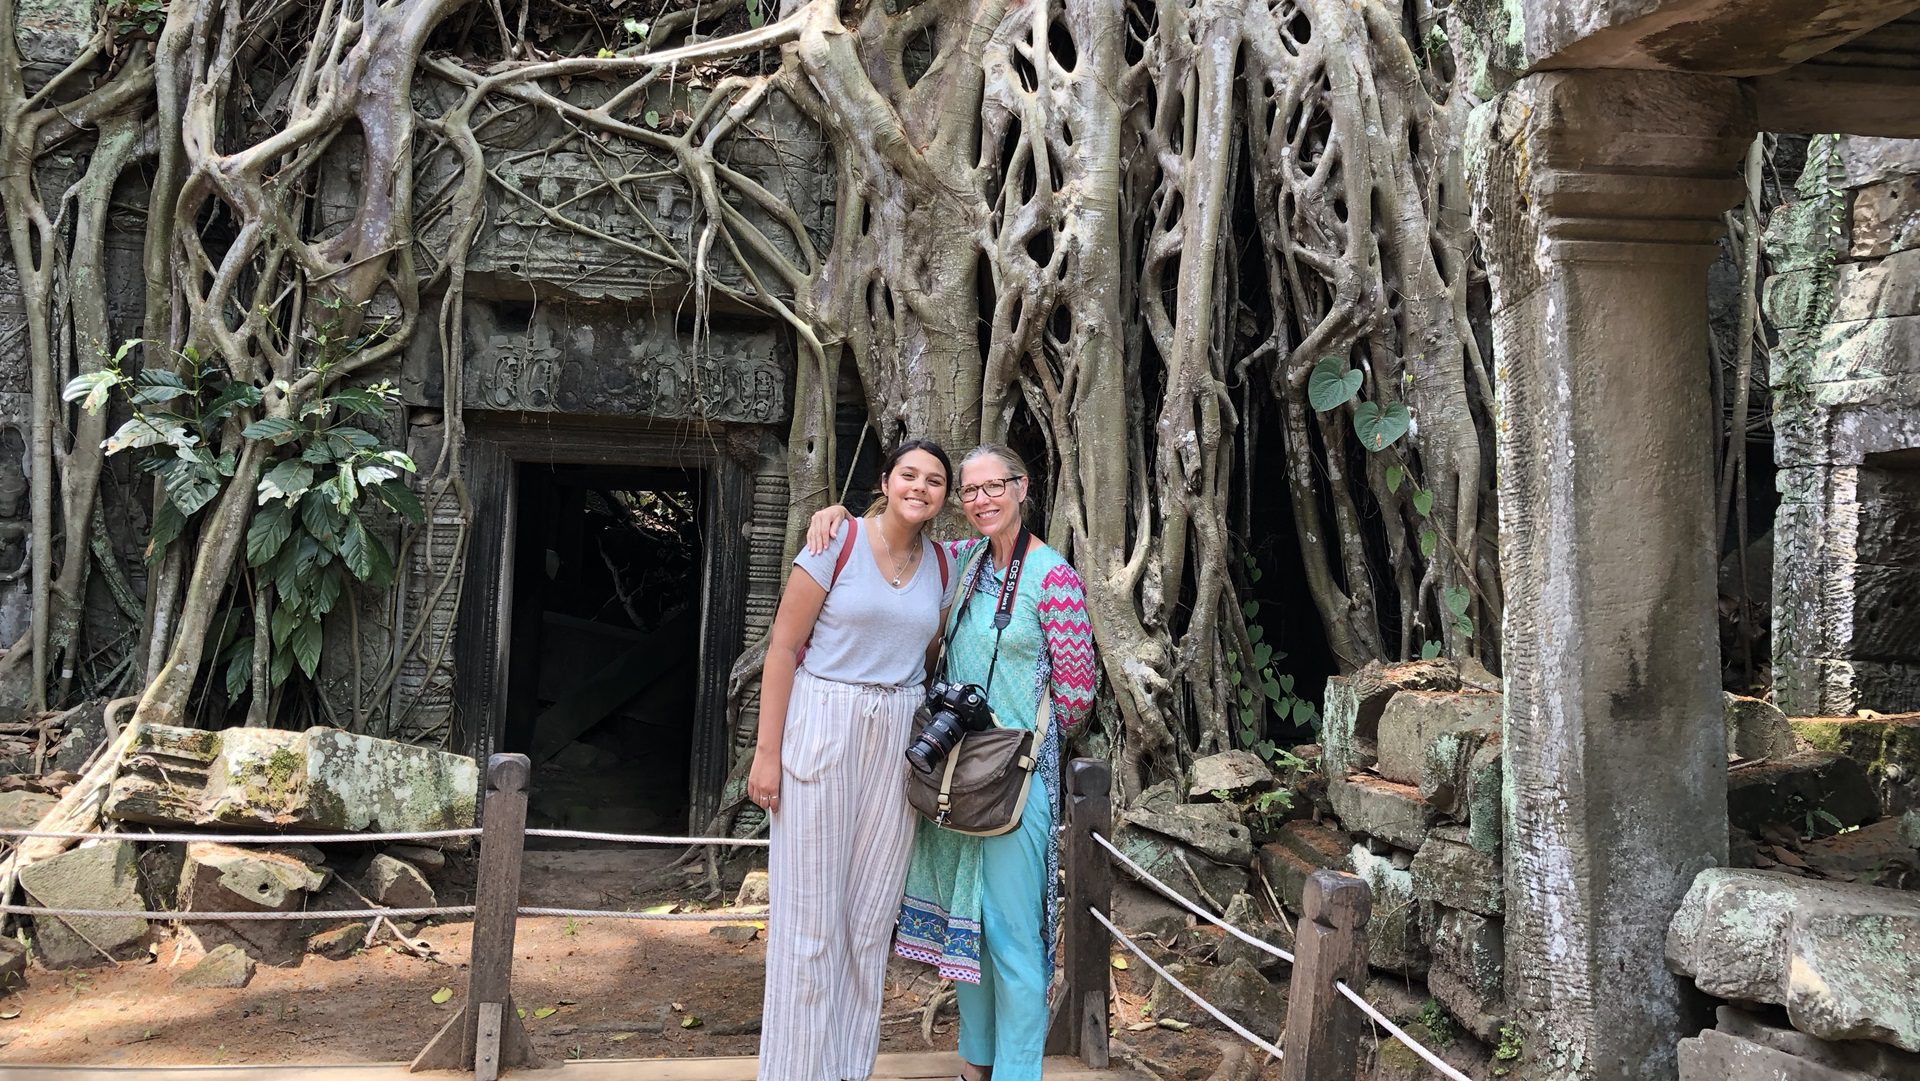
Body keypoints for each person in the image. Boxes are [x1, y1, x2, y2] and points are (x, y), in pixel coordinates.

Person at [807, 444, 1097, 1081]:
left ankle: (1019, 1072)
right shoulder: (961, 564)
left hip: (1016, 784)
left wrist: (1011, 739)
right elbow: (895, 553)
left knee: (1014, 940)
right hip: (955, 778)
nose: (982, 500)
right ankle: (976, 1062)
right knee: (967, 932)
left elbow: (1077, 693)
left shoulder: (1053, 577)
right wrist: (840, 515)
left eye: (996, 486)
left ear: (1022, 489)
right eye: (970, 491)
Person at [752, 439, 958, 1081]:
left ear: (945, 497)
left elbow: (925, 659)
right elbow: (783, 650)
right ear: (886, 480)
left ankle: (845, 1070)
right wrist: (766, 753)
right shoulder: (833, 543)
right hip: (825, 718)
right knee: (808, 916)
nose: (920, 487)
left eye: (934, 481)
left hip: (896, 728)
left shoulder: (945, 566)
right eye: (909, 475)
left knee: (868, 920)